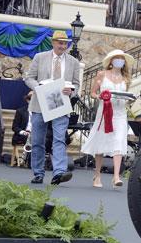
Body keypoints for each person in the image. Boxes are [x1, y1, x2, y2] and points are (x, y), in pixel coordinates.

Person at [24, 30, 80, 185]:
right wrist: (39, 87)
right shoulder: (39, 57)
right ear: (53, 42)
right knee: (37, 140)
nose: (63, 46)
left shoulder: (73, 62)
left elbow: (77, 85)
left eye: (65, 43)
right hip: (40, 103)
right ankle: (38, 173)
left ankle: (59, 173)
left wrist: (72, 91)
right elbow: (29, 78)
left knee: (59, 138)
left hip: (60, 103)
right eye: (60, 42)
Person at [82, 49, 133, 188]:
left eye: (122, 59)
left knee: (119, 141)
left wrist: (130, 100)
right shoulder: (101, 74)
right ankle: (97, 174)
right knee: (101, 141)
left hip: (120, 113)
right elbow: (92, 92)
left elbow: (126, 95)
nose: (119, 61)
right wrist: (99, 96)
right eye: (117, 58)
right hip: (105, 112)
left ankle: (116, 176)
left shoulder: (125, 78)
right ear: (111, 61)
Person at [11, 92, 32, 167]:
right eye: (31, 99)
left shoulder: (40, 113)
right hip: (23, 135)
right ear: (27, 100)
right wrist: (23, 132)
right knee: (29, 137)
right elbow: (14, 127)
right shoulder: (20, 111)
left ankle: (32, 161)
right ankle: (27, 160)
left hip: (35, 135)